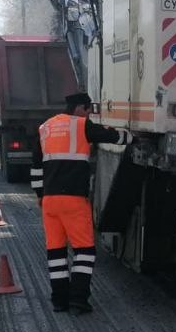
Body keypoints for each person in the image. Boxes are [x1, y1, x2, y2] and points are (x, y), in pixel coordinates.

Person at [30, 92, 131, 314]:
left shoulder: (45, 127)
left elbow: (36, 167)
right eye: (88, 110)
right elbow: (112, 137)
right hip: (73, 200)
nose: (89, 115)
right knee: (84, 251)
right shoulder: (81, 125)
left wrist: (40, 194)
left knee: (55, 253)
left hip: (49, 200)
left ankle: (59, 301)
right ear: (80, 108)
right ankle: (78, 299)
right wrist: (132, 137)